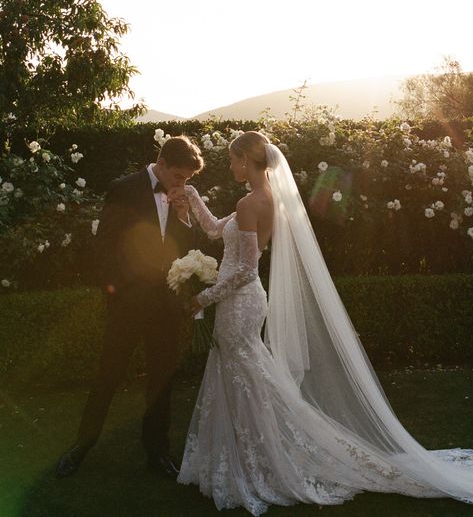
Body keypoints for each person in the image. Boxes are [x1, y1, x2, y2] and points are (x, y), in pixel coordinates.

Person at [176, 130, 473, 516]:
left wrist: (204, 296)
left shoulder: (250, 202)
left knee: (247, 379)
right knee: (244, 377)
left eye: (233, 160)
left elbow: (247, 271)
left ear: (246, 161)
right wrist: (194, 198)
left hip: (239, 303)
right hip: (242, 304)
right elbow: (216, 229)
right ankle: (245, 457)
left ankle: (257, 460)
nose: (230, 166)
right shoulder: (264, 199)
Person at [55, 135, 203, 479]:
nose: (183, 184)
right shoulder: (123, 188)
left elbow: (183, 250)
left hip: (166, 306)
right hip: (128, 305)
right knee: (108, 375)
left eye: (187, 179)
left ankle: (158, 452)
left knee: (161, 380)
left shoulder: (181, 196)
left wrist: (183, 217)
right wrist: (117, 293)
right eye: (178, 176)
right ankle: (82, 445)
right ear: (162, 164)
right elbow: (104, 246)